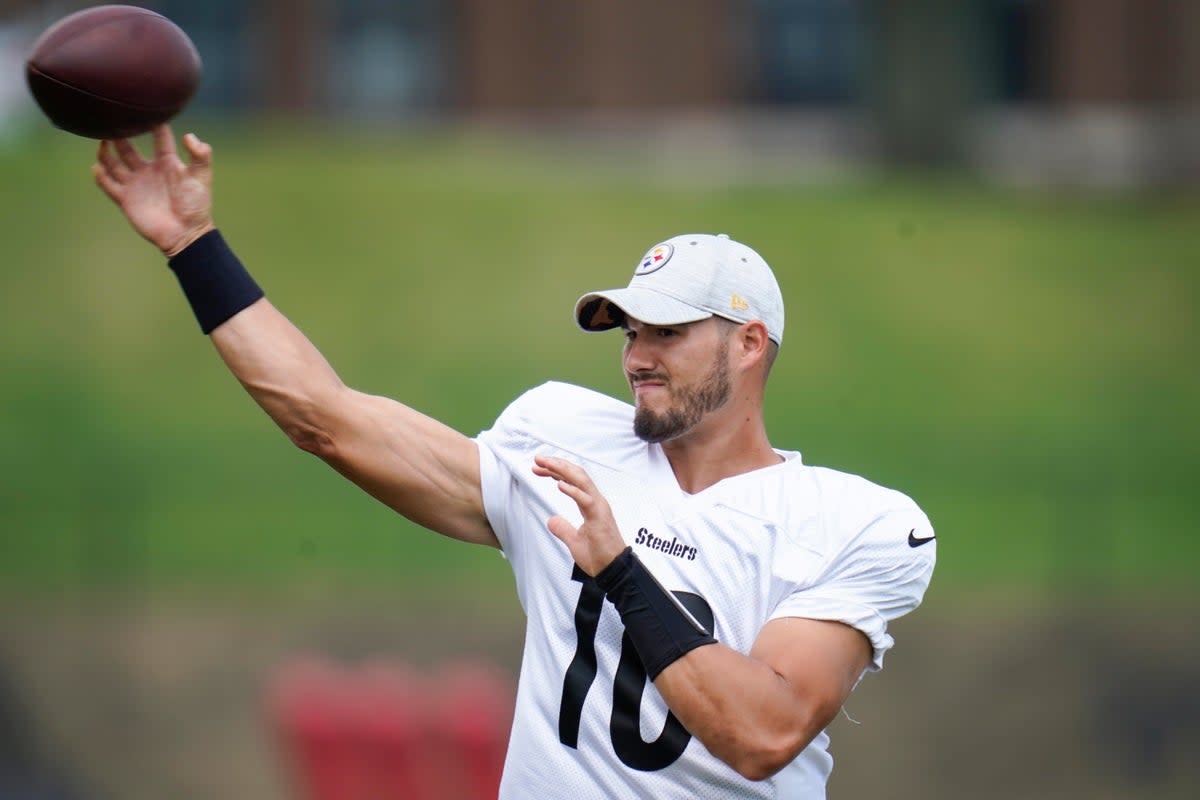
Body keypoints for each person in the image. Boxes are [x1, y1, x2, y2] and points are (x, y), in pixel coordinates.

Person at [92, 125, 937, 799]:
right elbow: (327, 419)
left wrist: (619, 568)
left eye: (668, 333)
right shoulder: (566, 439)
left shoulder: (848, 522)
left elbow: (762, 735)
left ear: (750, 343)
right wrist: (192, 244)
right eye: (629, 331)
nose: (638, 355)